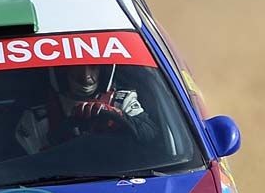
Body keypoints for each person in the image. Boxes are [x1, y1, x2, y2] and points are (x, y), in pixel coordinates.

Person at [15, 64, 158, 155]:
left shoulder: (123, 101)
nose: (86, 77)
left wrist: (118, 116)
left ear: (104, 70)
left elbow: (151, 136)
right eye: (76, 67)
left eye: (93, 67)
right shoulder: (36, 118)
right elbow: (31, 167)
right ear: (62, 70)